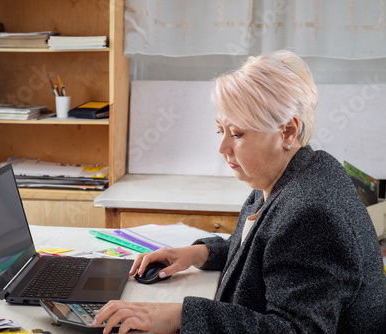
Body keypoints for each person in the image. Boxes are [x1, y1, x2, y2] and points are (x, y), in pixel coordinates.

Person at [92, 50, 386, 333]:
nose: (222, 148)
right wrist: (199, 253)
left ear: (287, 131)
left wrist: (181, 316)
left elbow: (293, 329)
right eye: (221, 130)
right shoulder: (292, 172)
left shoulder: (311, 214)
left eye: (237, 134)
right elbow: (265, 248)